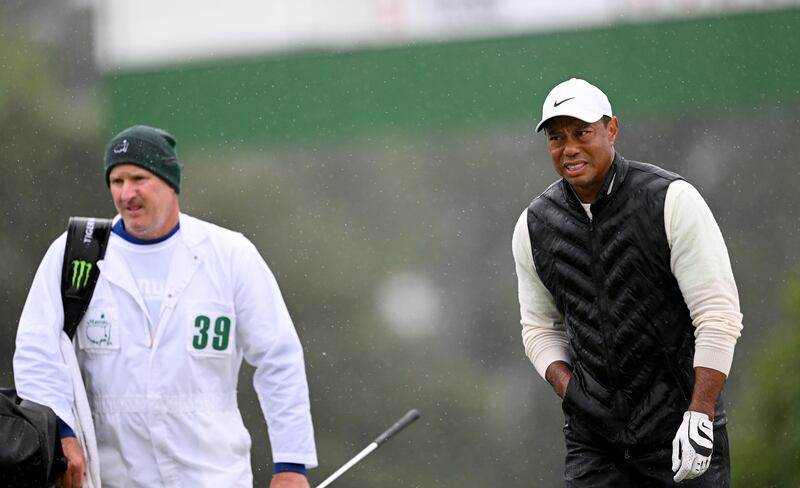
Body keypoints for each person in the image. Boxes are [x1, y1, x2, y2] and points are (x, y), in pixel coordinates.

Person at [13, 125, 318, 488]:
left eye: (138, 179)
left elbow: (279, 359)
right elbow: (37, 350)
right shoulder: (75, 253)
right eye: (116, 181)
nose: (126, 193)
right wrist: (62, 433)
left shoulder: (231, 255)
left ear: (170, 182)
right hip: (113, 478)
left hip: (214, 477)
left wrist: (291, 466)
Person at [512, 78, 743, 486]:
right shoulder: (534, 226)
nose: (569, 148)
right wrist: (574, 394)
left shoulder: (671, 200)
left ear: (612, 129)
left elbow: (717, 315)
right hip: (594, 447)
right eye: (556, 138)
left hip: (681, 432)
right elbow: (539, 328)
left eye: (582, 132)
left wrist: (700, 413)